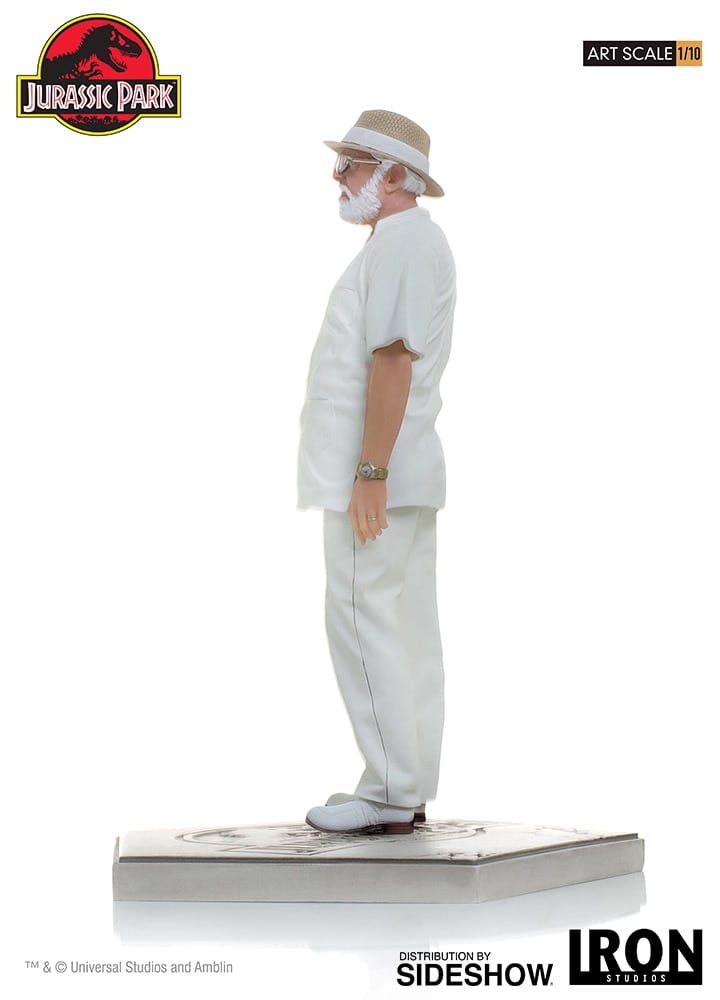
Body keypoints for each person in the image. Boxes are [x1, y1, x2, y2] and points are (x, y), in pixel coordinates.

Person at [297, 109, 456, 835]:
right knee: (405, 626)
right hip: (401, 470)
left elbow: (392, 360)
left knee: (363, 618)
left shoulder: (402, 245)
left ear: (394, 175)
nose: (339, 177)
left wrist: (369, 471)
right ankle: (404, 783)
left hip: (378, 476)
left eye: (352, 165)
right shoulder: (408, 243)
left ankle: (390, 791)